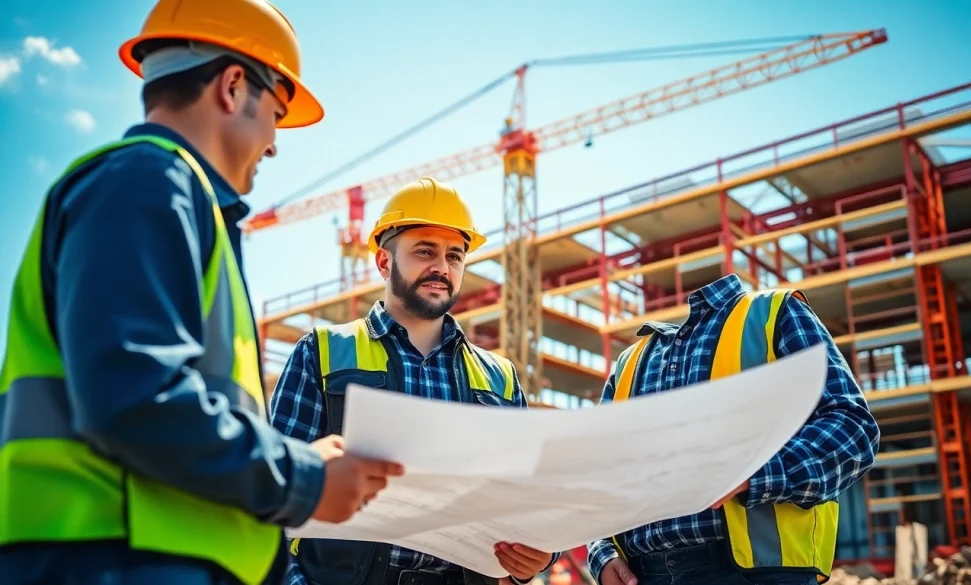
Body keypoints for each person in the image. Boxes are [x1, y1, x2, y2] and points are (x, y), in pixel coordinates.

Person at [0, 1, 404, 584]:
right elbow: (134, 396)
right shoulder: (144, 182)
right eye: (276, 113)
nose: (273, 145)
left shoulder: (174, 200)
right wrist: (304, 479)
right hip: (115, 558)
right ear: (234, 86)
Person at [269, 177, 559, 585]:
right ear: (385, 262)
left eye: (455, 256)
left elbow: (533, 499)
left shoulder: (500, 379)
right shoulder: (322, 353)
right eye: (425, 251)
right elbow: (277, 491)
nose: (442, 267)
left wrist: (541, 555)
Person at [587, 274, 880, 585]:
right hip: (641, 575)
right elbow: (599, 479)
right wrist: (602, 554)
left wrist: (753, 468)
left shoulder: (773, 314)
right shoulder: (627, 365)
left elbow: (853, 428)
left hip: (758, 573)